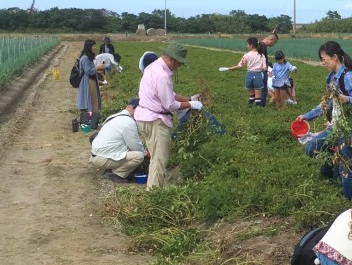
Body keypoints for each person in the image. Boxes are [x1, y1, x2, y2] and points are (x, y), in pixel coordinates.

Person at [295, 41, 352, 199]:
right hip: (335, 126)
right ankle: (335, 155)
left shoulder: (348, 76)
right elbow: (327, 103)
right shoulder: (331, 77)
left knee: (345, 168)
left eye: (324, 59)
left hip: (349, 129)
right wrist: (306, 116)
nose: (322, 63)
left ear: (334, 57)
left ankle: (348, 201)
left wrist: (346, 98)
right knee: (311, 148)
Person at [133, 43, 202, 188]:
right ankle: (154, 197)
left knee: (155, 159)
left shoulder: (153, 67)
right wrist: (191, 105)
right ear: (172, 59)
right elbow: (169, 104)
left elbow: (170, 94)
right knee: (160, 160)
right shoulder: (162, 75)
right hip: (155, 121)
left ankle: (156, 189)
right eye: (179, 63)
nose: (179, 67)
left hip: (145, 117)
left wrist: (189, 98)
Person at [90, 97, 146, 183]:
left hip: (96, 155)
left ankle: (112, 168)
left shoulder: (115, 116)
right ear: (130, 108)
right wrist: (146, 153)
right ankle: (115, 173)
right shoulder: (128, 122)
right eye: (139, 111)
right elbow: (135, 146)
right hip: (102, 159)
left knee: (127, 149)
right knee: (139, 156)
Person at [219, 37, 266, 106]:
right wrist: (259, 69)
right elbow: (264, 68)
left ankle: (250, 106)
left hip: (249, 75)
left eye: (248, 44)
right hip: (258, 75)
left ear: (251, 45)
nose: (247, 46)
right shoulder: (262, 56)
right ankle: (258, 110)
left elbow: (239, 66)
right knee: (258, 97)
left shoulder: (246, 55)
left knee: (251, 96)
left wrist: (228, 69)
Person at [75, 39, 105, 131]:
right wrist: (97, 68)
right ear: (89, 47)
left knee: (93, 101)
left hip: (91, 80)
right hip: (87, 81)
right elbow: (88, 71)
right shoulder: (85, 58)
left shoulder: (89, 57)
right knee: (87, 101)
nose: (95, 48)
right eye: (93, 46)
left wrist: (97, 70)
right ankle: (86, 125)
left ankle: (92, 124)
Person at [256, 31, 278, 107]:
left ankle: (257, 105)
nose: (273, 45)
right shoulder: (263, 46)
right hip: (262, 71)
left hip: (257, 71)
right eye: (274, 43)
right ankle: (261, 107)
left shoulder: (259, 44)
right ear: (271, 40)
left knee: (258, 89)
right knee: (264, 91)